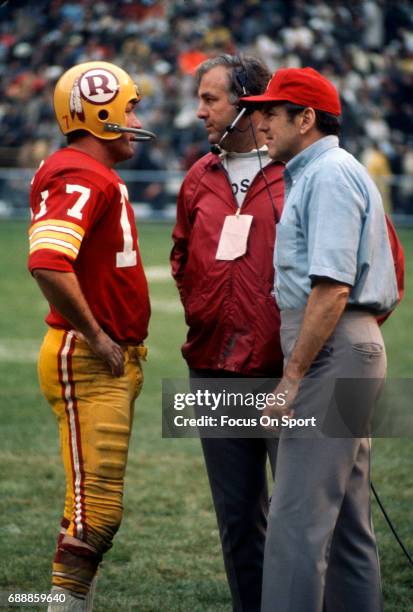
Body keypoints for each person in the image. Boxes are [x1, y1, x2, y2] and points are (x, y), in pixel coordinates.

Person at [241, 67, 399, 611]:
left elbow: (331, 290)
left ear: (305, 119)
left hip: (330, 349)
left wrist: (291, 378)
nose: (258, 122)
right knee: (349, 521)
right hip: (346, 346)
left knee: (294, 520)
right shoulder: (325, 170)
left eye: (270, 111)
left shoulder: (328, 173)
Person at [28, 61, 153, 611]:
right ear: (99, 112)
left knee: (87, 502)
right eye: (129, 108)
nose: (135, 120)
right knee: (97, 510)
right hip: (89, 358)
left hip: (105, 356)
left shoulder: (90, 171)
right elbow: (49, 262)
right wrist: (99, 337)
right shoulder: (81, 172)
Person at [170, 54, 284, 612]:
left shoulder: (300, 170)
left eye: (210, 99)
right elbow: (180, 256)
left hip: (291, 373)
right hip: (214, 368)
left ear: (248, 104)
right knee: (238, 519)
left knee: (308, 516)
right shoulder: (199, 176)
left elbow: (373, 268)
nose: (199, 112)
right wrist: (204, 312)